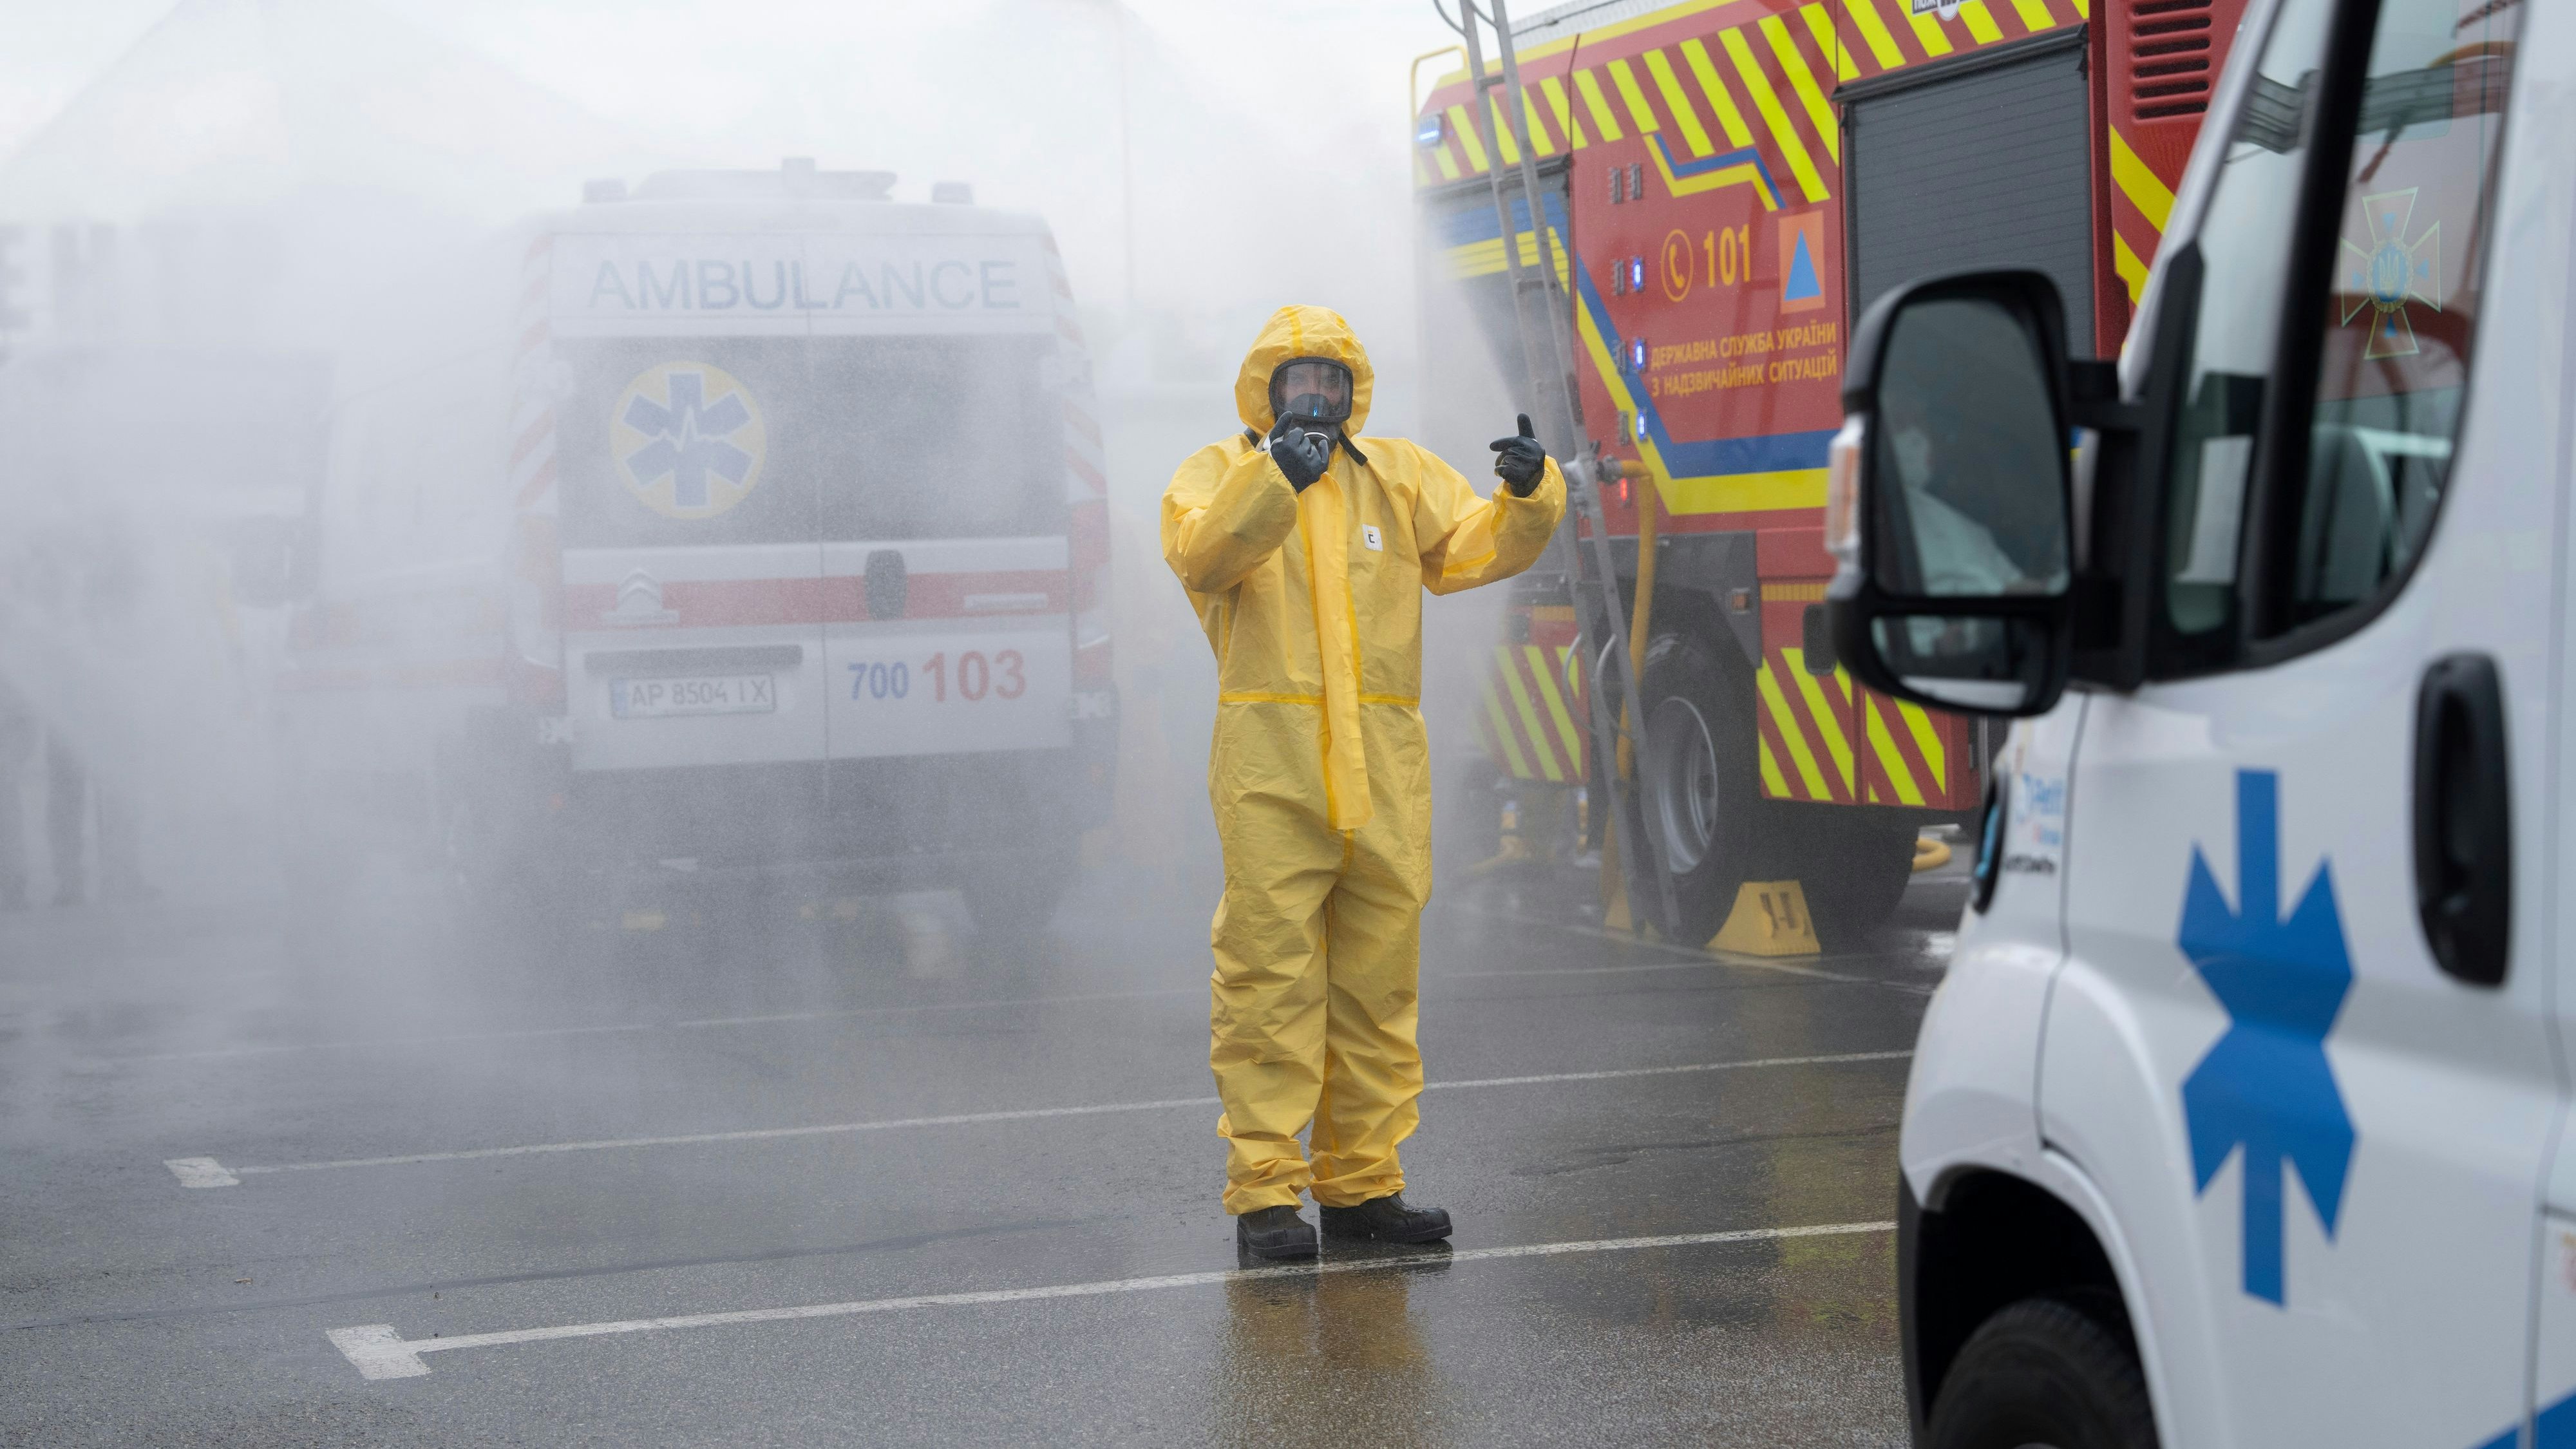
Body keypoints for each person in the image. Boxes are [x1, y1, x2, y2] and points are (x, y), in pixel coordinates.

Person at [1161, 305, 1566, 1261]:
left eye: (1333, 382)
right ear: (1266, 386)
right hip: (1274, 770)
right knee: (1269, 983)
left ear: (1355, 392)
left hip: (1384, 774)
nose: (1317, 398)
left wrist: (1530, 492)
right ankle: (1265, 1196)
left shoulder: (1396, 475)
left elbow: (1474, 547)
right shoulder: (1220, 474)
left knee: (1378, 989)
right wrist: (1276, 482)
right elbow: (1201, 554)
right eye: (1299, 380)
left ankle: (1361, 1188)